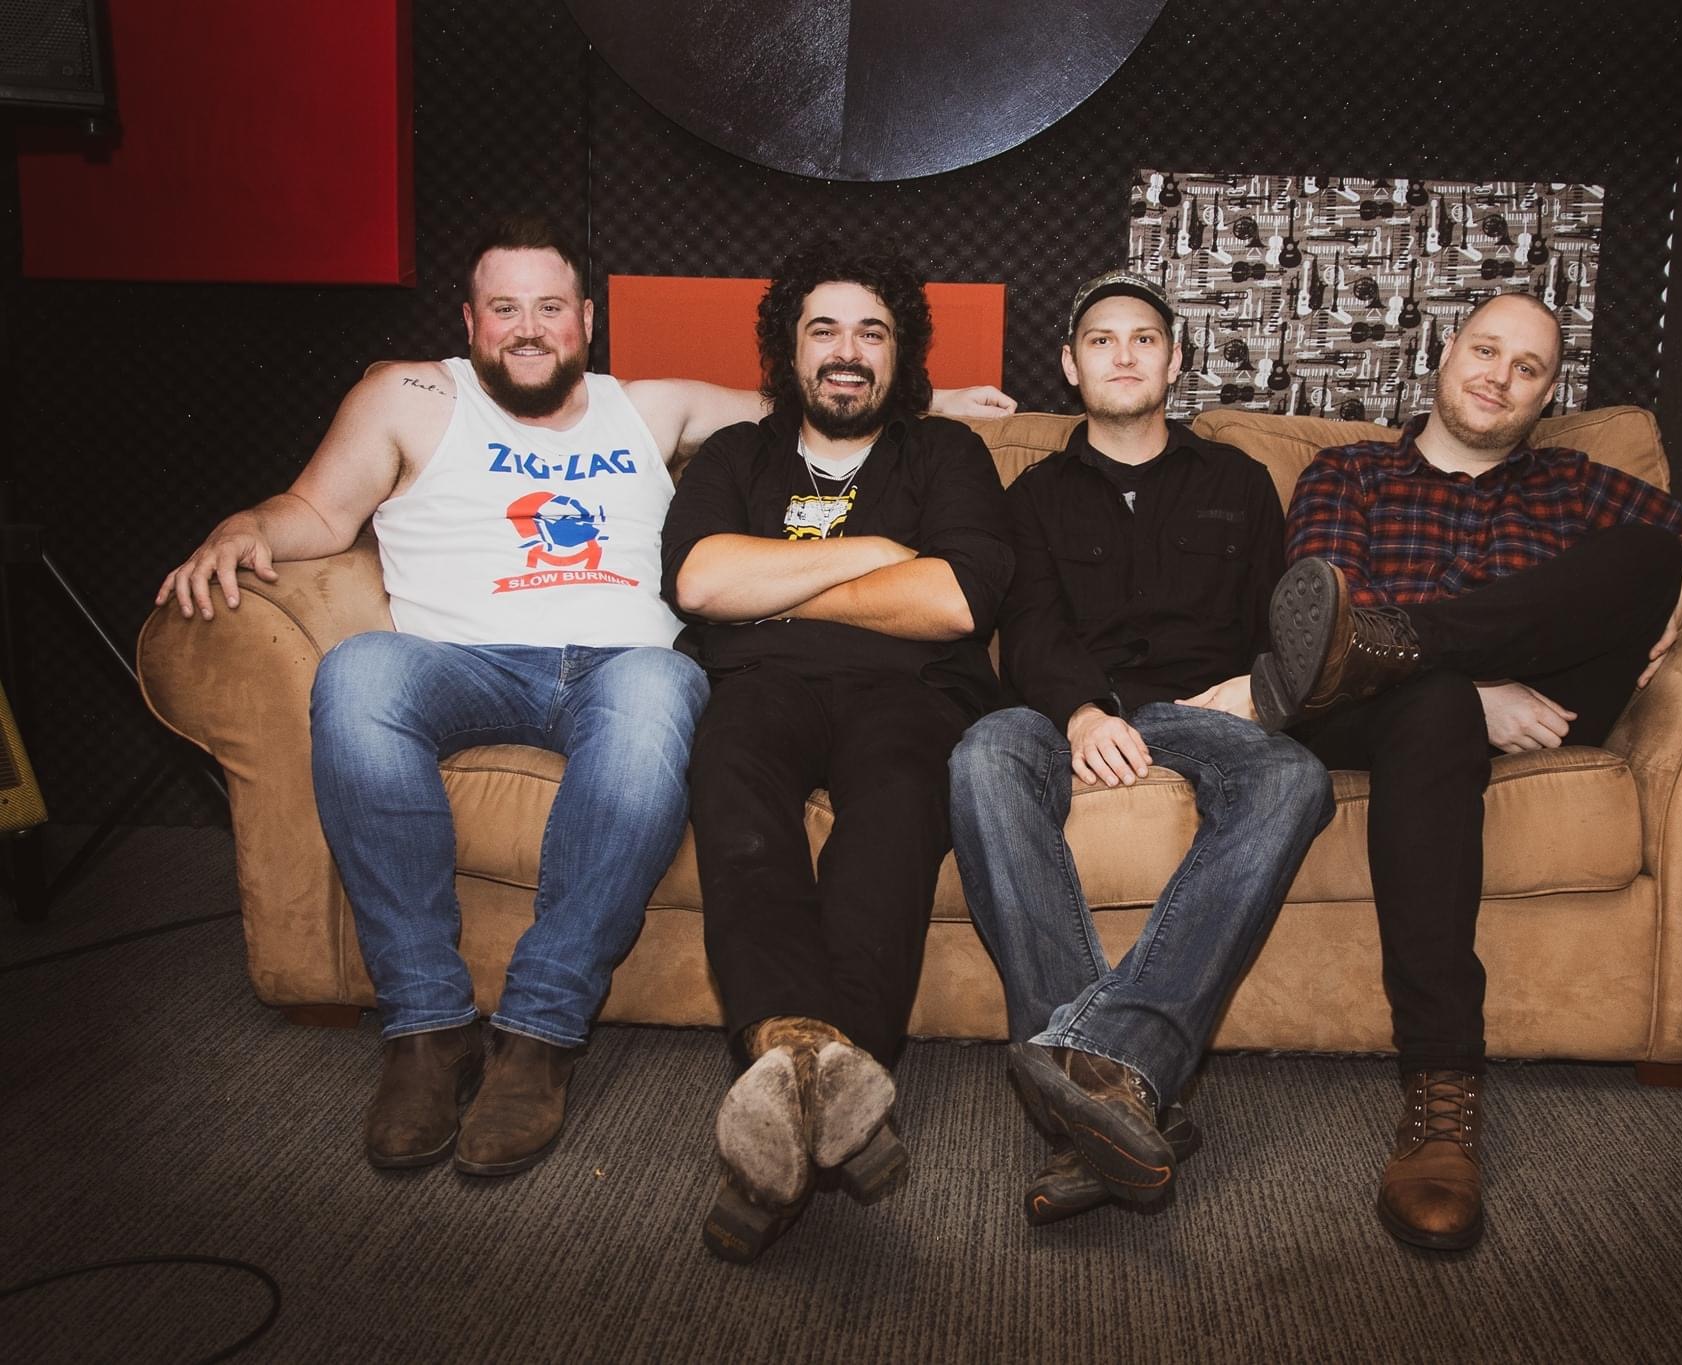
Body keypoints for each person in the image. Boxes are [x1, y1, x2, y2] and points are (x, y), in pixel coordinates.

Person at [154, 215, 1013, 1182]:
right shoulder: (413, 395)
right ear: (470, 319)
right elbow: (320, 509)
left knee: (689, 708)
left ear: (587, 321)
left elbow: (840, 422)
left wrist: (936, 413)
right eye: (506, 307)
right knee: (356, 675)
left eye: (550, 307)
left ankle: (567, 1036)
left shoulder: (651, 408)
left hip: (640, 666)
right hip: (474, 659)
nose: (529, 327)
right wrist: (246, 525)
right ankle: (428, 1025)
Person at [1252, 291, 1682, 1250]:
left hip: (1540, 695)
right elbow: (1327, 626)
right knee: (1426, 699)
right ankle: (1442, 1088)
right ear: (1446, 354)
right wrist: (1471, 690)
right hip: (1378, 711)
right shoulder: (1350, 471)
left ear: (1548, 395)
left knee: (1646, 552)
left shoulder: (1574, 482)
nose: (1499, 377)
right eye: (1485, 350)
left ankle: (1415, 642)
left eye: (1526, 367)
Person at [947, 272, 1334, 1223]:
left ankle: (1096, 1065)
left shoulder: (1238, 482)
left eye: (1145, 338)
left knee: (1295, 776)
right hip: (1060, 713)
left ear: (1175, 359)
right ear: (1070, 365)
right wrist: (1081, 713)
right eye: (1102, 340)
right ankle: (1119, 1087)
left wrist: (1254, 696)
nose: (1124, 354)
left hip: (1199, 711)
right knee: (982, 754)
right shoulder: (1031, 494)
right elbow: (1029, 629)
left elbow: (1278, 628)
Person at [661, 238, 1014, 1261]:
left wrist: (775, 591)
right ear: (790, 350)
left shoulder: (946, 455)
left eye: (872, 331)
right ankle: (826, 1080)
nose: (847, 352)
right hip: (759, 689)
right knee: (731, 782)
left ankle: (792, 1083)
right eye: (824, 330)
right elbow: (701, 582)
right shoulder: (736, 454)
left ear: (900, 354)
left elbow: (954, 600)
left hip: (908, 693)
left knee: (898, 807)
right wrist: (874, 556)